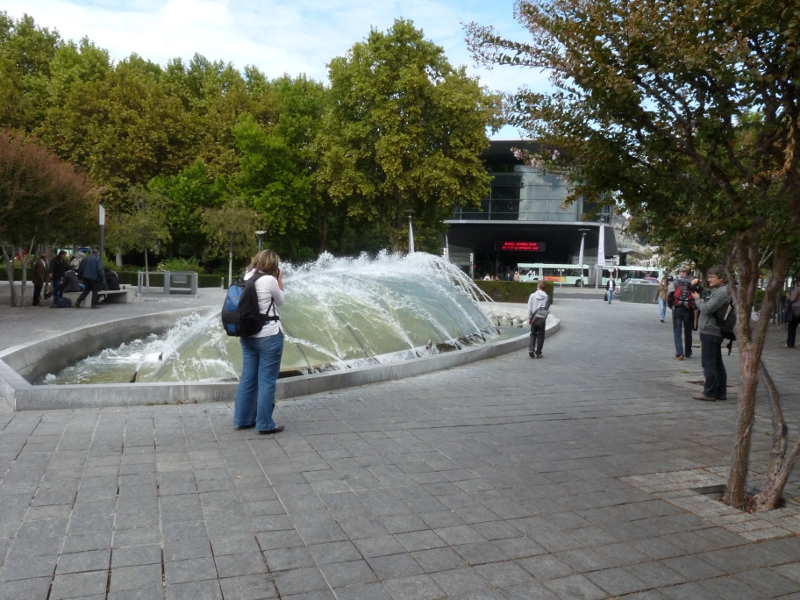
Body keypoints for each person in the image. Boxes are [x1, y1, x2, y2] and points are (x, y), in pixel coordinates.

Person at [233, 249, 286, 435]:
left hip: (247, 334)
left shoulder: (245, 276)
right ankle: (264, 424)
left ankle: (243, 419)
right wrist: (279, 279)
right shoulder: (270, 280)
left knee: (248, 378)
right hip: (269, 335)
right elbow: (281, 301)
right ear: (273, 264)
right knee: (267, 381)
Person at [690, 266, 730, 401]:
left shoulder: (722, 292)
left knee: (709, 364)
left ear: (721, 278)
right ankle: (720, 392)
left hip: (711, 331)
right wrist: (700, 289)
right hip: (713, 331)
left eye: (712, 277)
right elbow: (709, 295)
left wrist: (697, 299)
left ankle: (709, 392)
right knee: (717, 363)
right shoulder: (721, 290)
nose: (709, 279)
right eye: (708, 277)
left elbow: (706, 309)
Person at [671, 266, 694, 360]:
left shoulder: (676, 282)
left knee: (677, 331)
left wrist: (672, 305)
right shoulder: (693, 282)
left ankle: (680, 353)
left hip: (677, 309)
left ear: (683, 273)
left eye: (681, 272)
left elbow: (670, 294)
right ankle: (688, 352)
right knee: (688, 331)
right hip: (688, 309)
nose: (680, 273)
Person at [526, 281, 551, 359]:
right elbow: (548, 310)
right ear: (545, 288)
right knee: (541, 335)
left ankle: (531, 348)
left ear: (538, 286)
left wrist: (529, 317)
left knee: (533, 333)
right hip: (542, 318)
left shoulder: (532, 296)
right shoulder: (547, 297)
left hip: (534, 317)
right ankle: (538, 352)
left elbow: (529, 307)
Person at [786, 283, 800, 348]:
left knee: (792, 327)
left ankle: (790, 343)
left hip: (797, 310)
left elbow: (792, 299)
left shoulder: (798, 289)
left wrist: (788, 296)